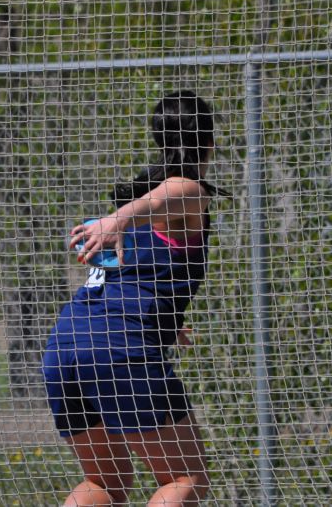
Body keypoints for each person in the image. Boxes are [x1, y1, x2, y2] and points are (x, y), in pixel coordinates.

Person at [42, 90, 228, 506]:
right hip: (121, 348)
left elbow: (138, 274)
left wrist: (164, 322)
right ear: (210, 144)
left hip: (66, 346)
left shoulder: (140, 199)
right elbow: (167, 198)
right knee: (184, 477)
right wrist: (119, 217)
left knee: (105, 484)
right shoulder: (186, 190)